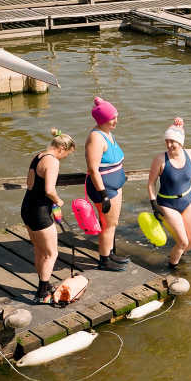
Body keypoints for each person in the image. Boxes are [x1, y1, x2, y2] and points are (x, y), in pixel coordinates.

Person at [20, 128, 76, 302]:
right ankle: (42, 293)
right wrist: (58, 201)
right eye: (67, 153)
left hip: (27, 208)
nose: (66, 157)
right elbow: (49, 189)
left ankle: (44, 285)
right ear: (61, 149)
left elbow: (31, 183)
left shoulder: (38, 156)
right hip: (40, 212)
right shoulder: (52, 161)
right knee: (52, 254)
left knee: (40, 252)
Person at [147, 117, 191, 268]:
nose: (169, 145)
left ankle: (177, 254)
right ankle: (171, 268)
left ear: (181, 142)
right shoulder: (160, 159)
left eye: (173, 142)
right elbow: (151, 184)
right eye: (167, 141)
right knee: (183, 241)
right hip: (167, 203)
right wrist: (154, 204)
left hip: (187, 199)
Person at [85, 96, 130, 272]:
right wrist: (103, 194)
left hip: (114, 186)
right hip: (103, 188)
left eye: (116, 117)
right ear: (102, 120)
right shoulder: (96, 138)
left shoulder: (107, 132)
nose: (115, 121)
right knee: (108, 225)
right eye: (112, 118)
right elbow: (93, 169)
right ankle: (104, 261)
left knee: (113, 223)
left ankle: (109, 254)